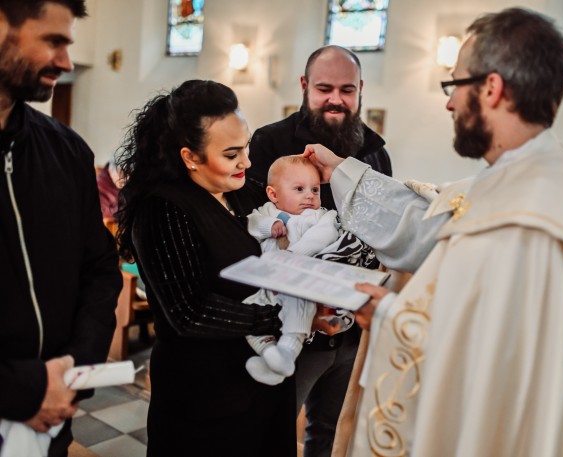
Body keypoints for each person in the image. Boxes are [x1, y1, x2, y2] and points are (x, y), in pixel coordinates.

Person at [304, 8, 563, 457]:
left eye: (454, 86)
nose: (448, 103)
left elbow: (496, 367)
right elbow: (428, 216)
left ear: (491, 88)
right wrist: (342, 171)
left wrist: (387, 315)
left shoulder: (529, 217)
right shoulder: (536, 178)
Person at [115, 80, 335, 456]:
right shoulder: (164, 208)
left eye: (246, 147)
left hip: (263, 387)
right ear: (190, 157)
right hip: (206, 396)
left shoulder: (242, 191)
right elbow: (189, 312)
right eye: (232, 153)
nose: (247, 162)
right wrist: (279, 319)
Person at [248, 44, 392, 457]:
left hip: (350, 331)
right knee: (269, 432)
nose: (336, 99)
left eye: (347, 89)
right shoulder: (268, 143)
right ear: (304, 86)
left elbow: (380, 235)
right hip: (290, 324)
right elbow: (249, 233)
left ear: (360, 89)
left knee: (330, 436)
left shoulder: (377, 154)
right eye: (324, 87)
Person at [0, 1, 121, 456]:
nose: (66, 63)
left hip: (52, 417)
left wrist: (71, 371)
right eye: (53, 41)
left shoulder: (67, 151)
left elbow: (100, 270)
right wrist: (23, 389)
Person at [244, 156, 341, 385]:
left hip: (297, 282)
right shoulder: (266, 212)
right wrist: (269, 227)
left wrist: (293, 255)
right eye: (299, 189)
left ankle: (287, 351)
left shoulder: (320, 216)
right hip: (266, 281)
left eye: (315, 190)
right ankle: (269, 354)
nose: (310, 195)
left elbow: (326, 235)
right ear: (273, 194)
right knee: (248, 308)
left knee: (301, 307)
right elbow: (249, 224)